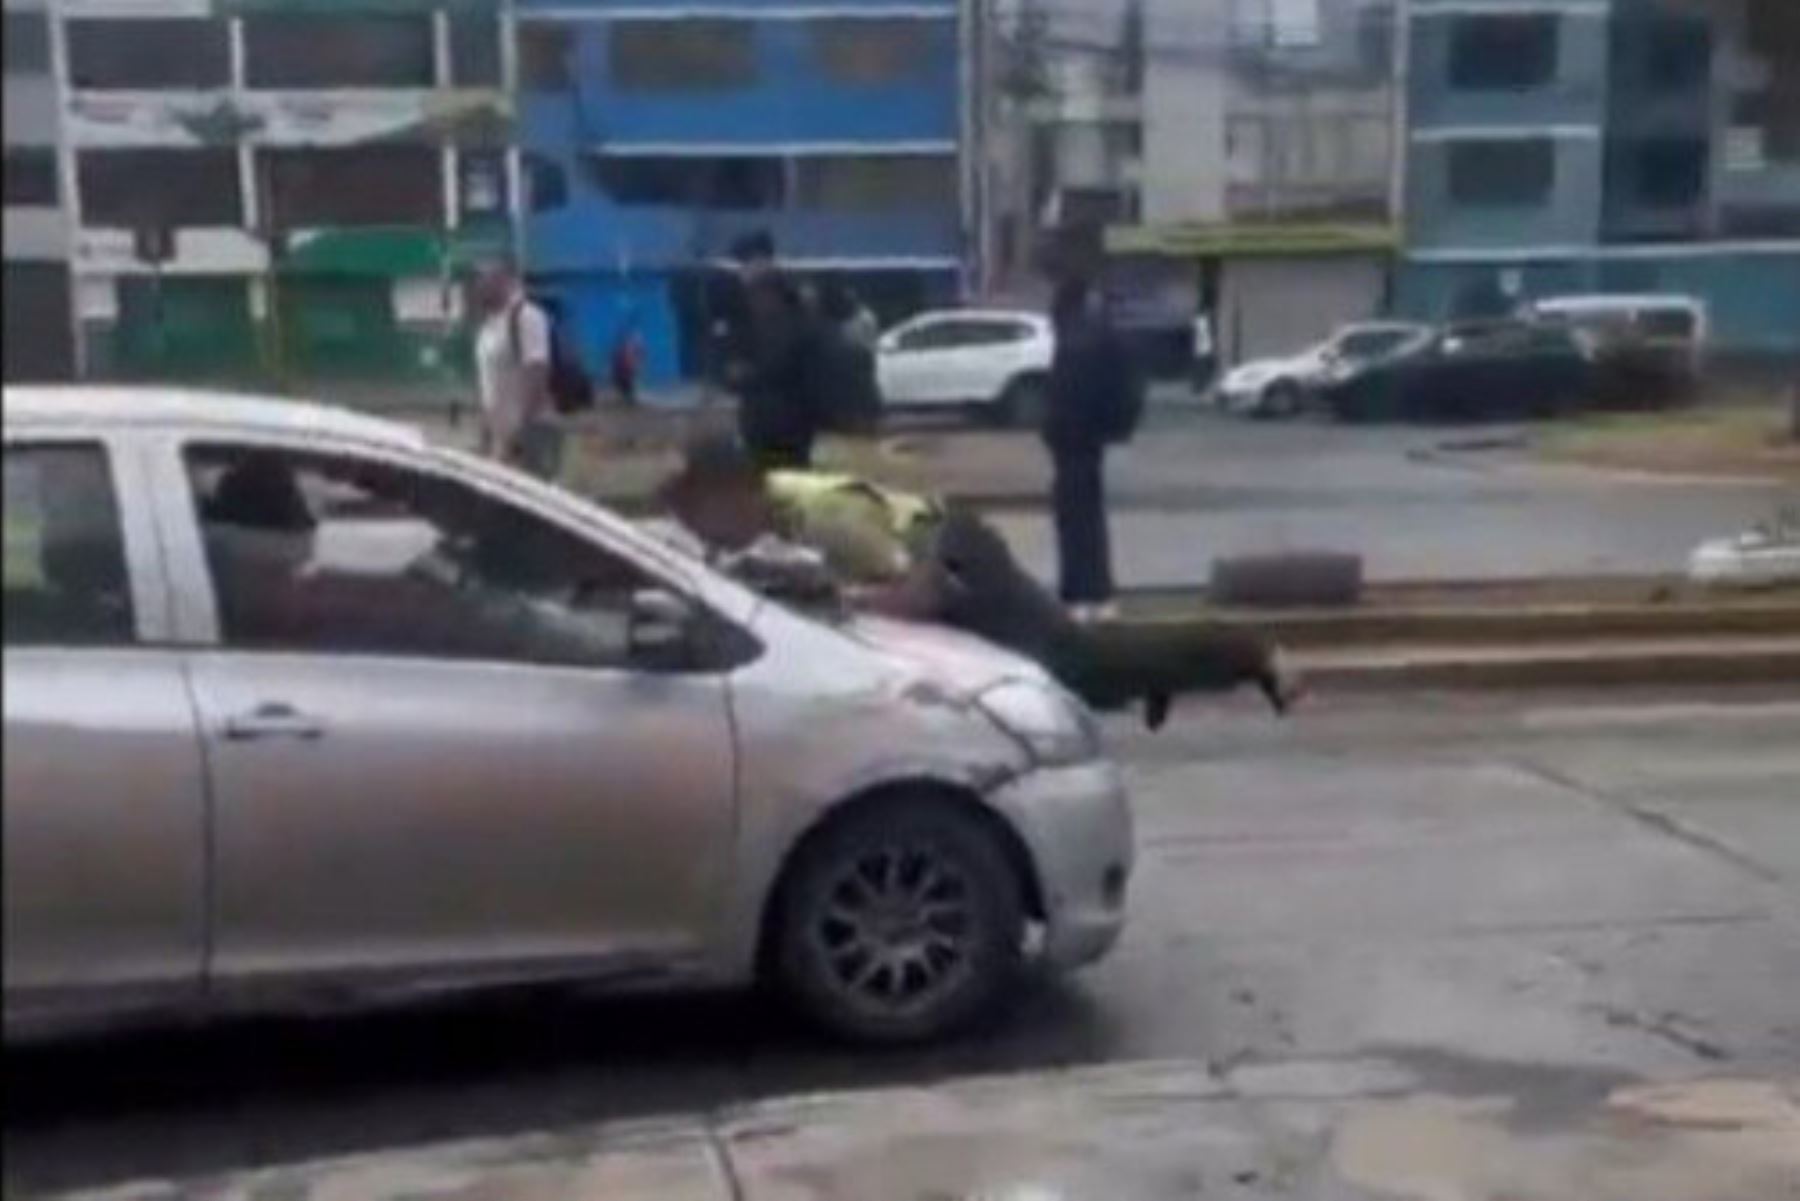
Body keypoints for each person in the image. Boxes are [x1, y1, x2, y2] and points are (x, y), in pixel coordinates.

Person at [654, 433, 1300, 729]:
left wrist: (836, 606)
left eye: (695, 511)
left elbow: (919, 594)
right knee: (1082, 669)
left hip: (962, 558)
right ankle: (1160, 673)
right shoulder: (777, 515)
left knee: (1079, 662)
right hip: (951, 557)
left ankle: (1249, 650)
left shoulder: (823, 515)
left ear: (733, 492)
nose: (697, 529)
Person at [1043, 278, 1128, 616]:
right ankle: (1093, 593)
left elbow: (1065, 398)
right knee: (1086, 518)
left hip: (1074, 443)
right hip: (1085, 443)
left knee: (1076, 521)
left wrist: (1054, 431)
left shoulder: (1077, 343)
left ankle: (1084, 594)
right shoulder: (1095, 336)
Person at [723, 231, 821, 470]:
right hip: (759, 423)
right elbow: (732, 366)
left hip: (789, 423)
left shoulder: (795, 319)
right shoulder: (746, 320)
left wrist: (750, 373)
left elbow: (786, 363)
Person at [471, 257, 561, 480]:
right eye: (479, 279)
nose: (479, 286)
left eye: (487, 279)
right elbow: (489, 382)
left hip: (526, 432)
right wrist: (488, 430)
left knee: (534, 499)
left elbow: (537, 371)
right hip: (499, 433)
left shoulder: (527, 317)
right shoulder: (489, 325)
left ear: (507, 282)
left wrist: (520, 430)